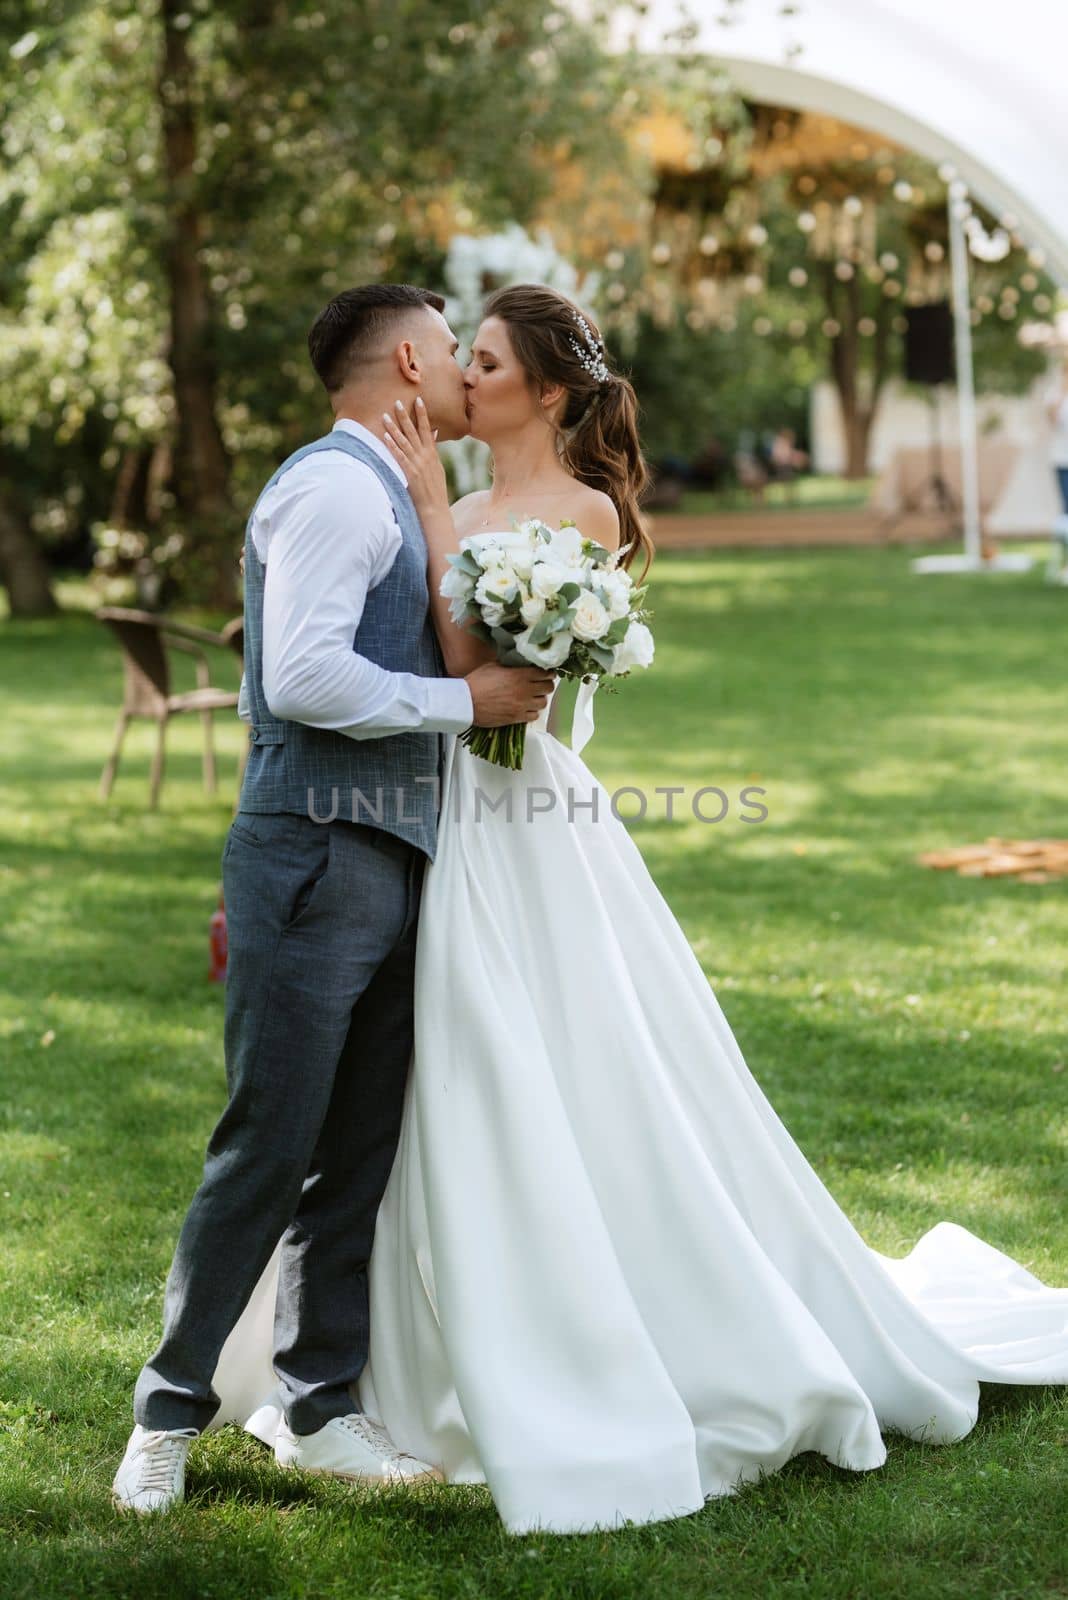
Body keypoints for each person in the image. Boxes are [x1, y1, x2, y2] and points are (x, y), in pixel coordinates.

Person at [181, 286, 1068, 1535]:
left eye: (487, 363)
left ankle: (573, 1324)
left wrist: (439, 525)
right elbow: (418, 667)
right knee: (393, 1088)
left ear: (545, 392)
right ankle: (352, 1363)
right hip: (417, 808)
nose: (467, 380)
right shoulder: (428, 497)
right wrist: (436, 522)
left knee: (542, 1057)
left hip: (517, 818)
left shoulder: (577, 512)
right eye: (461, 358)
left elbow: (497, 675)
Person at [111, 285, 557, 1514]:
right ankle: (165, 1416)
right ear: (411, 362)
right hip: (313, 853)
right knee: (271, 1140)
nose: (470, 363)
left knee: (357, 1149)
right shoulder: (330, 490)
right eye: (452, 341)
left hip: (404, 854)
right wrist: (467, 707)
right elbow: (303, 675)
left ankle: (319, 1402)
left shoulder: (394, 488)